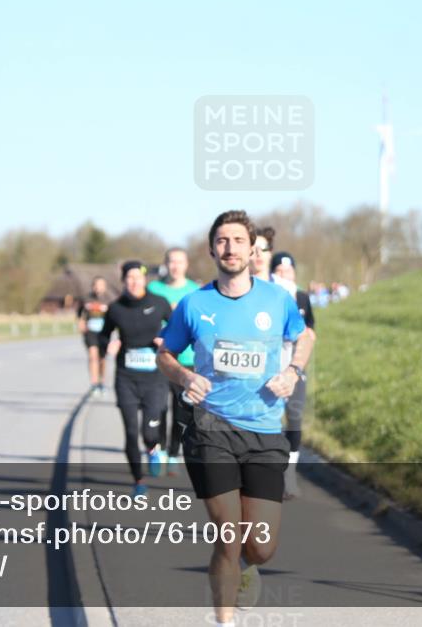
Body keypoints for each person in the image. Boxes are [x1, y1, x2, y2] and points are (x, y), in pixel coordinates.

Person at [157, 210, 313, 626]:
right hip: (211, 429)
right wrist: (185, 375)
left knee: (260, 546)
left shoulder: (277, 300)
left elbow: (305, 335)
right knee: (228, 536)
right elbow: (165, 355)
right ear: (212, 249)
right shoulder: (194, 304)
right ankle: (225, 620)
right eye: (222, 241)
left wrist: (293, 371)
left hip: (263, 430)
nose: (230, 248)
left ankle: (249, 564)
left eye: (238, 241)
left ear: (252, 248)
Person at [99, 261, 173, 496]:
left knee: (149, 433)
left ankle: (153, 449)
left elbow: (175, 330)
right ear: (123, 281)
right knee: (131, 432)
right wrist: (108, 344)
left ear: (144, 279)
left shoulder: (158, 303)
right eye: (129, 278)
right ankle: (139, 481)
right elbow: (103, 336)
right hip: (126, 378)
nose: (134, 281)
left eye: (138, 277)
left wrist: (165, 341)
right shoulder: (115, 308)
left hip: (154, 378)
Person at [147, 247, 200, 476]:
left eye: (180, 262)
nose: (175, 266)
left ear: (186, 264)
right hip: (158, 360)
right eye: (171, 261)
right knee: (158, 409)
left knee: (182, 411)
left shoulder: (196, 291)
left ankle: (173, 453)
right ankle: (156, 450)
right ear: (165, 264)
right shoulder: (153, 289)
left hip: (187, 361)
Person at [270, 251, 316, 500]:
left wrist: (307, 338)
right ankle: (273, 472)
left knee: (294, 420)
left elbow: (310, 329)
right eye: (279, 271)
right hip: (271, 369)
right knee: (273, 423)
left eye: (288, 272)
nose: (284, 275)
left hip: (296, 368)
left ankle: (290, 474)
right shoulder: (267, 298)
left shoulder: (302, 297)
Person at [77, 276, 113, 396]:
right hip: (90, 331)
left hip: (104, 332)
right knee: (93, 356)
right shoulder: (86, 299)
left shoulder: (109, 300)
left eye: (101, 285)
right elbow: (80, 314)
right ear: (93, 286)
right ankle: (94, 383)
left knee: (102, 359)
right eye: (96, 285)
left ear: (105, 287)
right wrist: (81, 323)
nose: (98, 287)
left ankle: (102, 382)